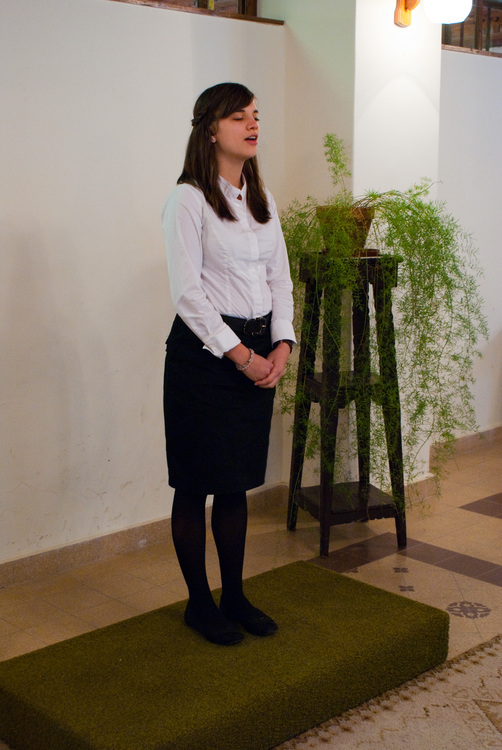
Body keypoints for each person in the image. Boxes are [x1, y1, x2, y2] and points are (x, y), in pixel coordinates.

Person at [161, 82, 296, 646]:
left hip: (259, 352)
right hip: (204, 358)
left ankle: (234, 596)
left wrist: (282, 345)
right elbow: (187, 294)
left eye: (255, 115)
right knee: (196, 484)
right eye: (239, 116)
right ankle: (199, 604)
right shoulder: (188, 199)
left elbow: (280, 279)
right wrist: (240, 356)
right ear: (210, 129)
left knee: (236, 485)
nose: (253, 124)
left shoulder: (262, 201)